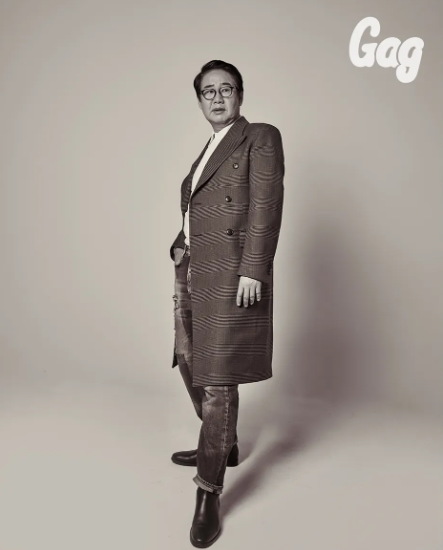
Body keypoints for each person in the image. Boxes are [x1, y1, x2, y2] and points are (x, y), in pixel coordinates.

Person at [169, 60, 285, 547]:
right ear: (199, 100)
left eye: (226, 89)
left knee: (218, 383)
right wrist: (180, 244)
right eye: (208, 92)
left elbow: (266, 204)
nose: (217, 98)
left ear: (240, 94)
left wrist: (254, 268)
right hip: (194, 270)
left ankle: (209, 491)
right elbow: (198, 210)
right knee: (189, 360)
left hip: (234, 274)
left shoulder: (260, 136)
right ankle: (224, 442)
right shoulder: (209, 148)